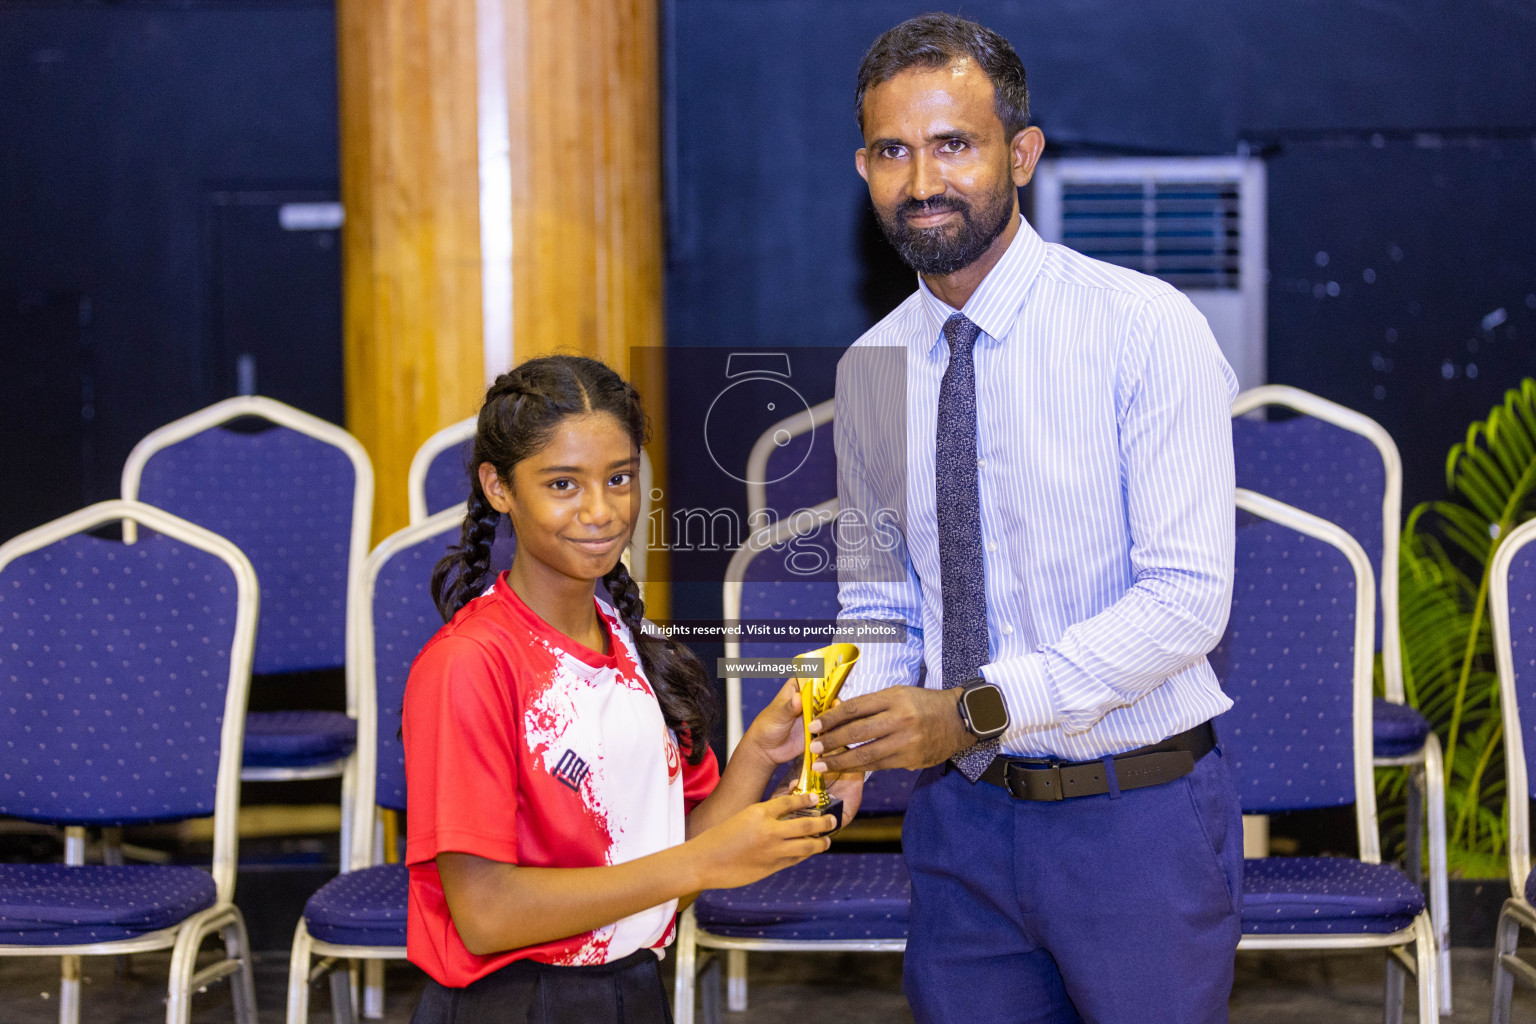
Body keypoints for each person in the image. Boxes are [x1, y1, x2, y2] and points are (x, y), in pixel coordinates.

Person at [813, 14, 1243, 1024]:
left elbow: (1186, 603)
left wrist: (969, 709)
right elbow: (879, 599)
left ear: (1023, 152)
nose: (922, 180)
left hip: (1132, 817)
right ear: (864, 165)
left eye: (954, 144)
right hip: (959, 825)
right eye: (892, 151)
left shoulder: (1143, 327)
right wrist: (848, 746)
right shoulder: (871, 367)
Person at [403, 355, 857, 1024]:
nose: (600, 510)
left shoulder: (628, 637)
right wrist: (702, 863)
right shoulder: (469, 663)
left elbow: (674, 856)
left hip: (630, 987)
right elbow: (486, 914)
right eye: (563, 484)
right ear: (498, 487)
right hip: (514, 1003)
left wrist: (761, 754)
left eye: (620, 478)